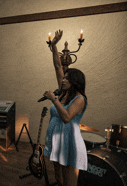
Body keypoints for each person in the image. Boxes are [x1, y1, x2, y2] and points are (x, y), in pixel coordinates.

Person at [43, 30, 88, 186]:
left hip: (69, 141)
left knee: (69, 180)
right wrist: (54, 45)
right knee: (58, 176)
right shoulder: (62, 93)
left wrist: (54, 99)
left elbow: (67, 117)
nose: (63, 80)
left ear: (75, 81)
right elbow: (57, 65)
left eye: (67, 78)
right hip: (55, 138)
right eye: (63, 77)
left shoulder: (80, 99)